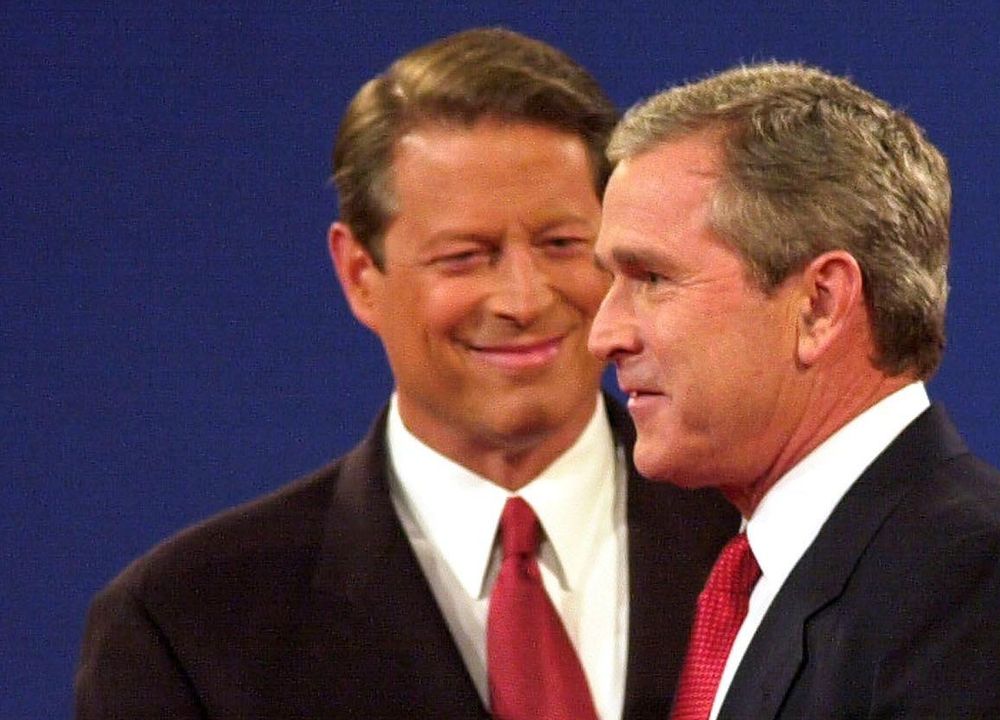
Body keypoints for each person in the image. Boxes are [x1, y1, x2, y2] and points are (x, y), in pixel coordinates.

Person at [75, 28, 737, 720]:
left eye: (562, 244)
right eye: (465, 256)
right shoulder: (189, 626)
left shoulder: (760, 537)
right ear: (360, 274)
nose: (524, 299)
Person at [588, 62, 1000, 719]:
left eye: (652, 279)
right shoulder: (771, 575)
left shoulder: (983, 586)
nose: (604, 334)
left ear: (820, 305)